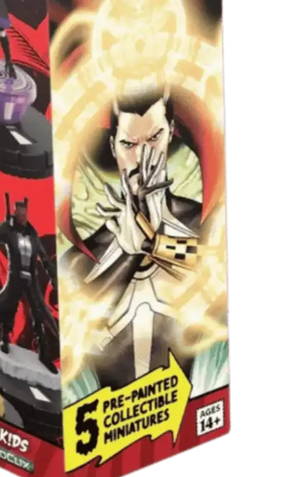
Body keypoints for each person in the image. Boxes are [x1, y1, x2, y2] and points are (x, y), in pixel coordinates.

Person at [63, 89, 203, 388]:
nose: (142, 156)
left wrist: (151, 243)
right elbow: (73, 320)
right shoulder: (85, 255)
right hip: (110, 409)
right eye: (129, 144)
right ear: (113, 147)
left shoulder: (204, 223)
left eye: (154, 138)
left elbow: (211, 271)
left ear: (171, 133)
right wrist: (128, 253)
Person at [0, 198, 58, 373]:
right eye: (19, 213)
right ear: (15, 213)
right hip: (15, 275)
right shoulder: (8, 229)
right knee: (10, 305)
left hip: (31, 277)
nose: (22, 217)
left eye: (24, 214)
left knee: (39, 312)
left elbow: (44, 257)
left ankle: (44, 352)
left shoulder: (32, 233)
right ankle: (5, 338)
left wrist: (53, 276)